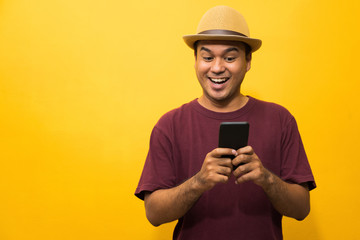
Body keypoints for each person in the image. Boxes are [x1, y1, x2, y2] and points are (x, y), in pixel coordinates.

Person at [135, 5, 316, 240]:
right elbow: (154, 214)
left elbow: (302, 209)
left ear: (248, 61)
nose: (218, 67)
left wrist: (266, 178)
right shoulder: (169, 125)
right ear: (195, 61)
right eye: (207, 57)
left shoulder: (280, 120)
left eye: (230, 58)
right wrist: (199, 182)